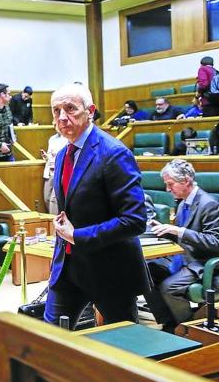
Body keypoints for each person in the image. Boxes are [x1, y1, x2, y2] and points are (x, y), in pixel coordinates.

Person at [45, 83, 150, 329]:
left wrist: (77, 235)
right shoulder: (62, 154)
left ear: (90, 110)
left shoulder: (114, 153)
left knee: (123, 348)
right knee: (48, 339)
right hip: (68, 268)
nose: (62, 117)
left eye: (70, 108)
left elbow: (134, 220)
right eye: (56, 110)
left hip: (109, 270)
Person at [145, 159, 219, 333]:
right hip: (182, 258)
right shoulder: (183, 202)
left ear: (185, 181)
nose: (167, 190)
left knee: (168, 287)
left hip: (201, 263)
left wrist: (179, 231)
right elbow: (184, 235)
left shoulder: (209, 205)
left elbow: (215, 242)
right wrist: (164, 229)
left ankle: (187, 327)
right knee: (144, 273)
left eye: (170, 184)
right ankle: (170, 323)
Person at [40, 131, 67, 214]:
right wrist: (46, 156)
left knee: (54, 201)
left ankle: (54, 222)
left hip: (60, 172)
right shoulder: (52, 139)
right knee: (47, 198)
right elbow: (50, 155)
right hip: (49, 172)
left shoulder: (68, 139)